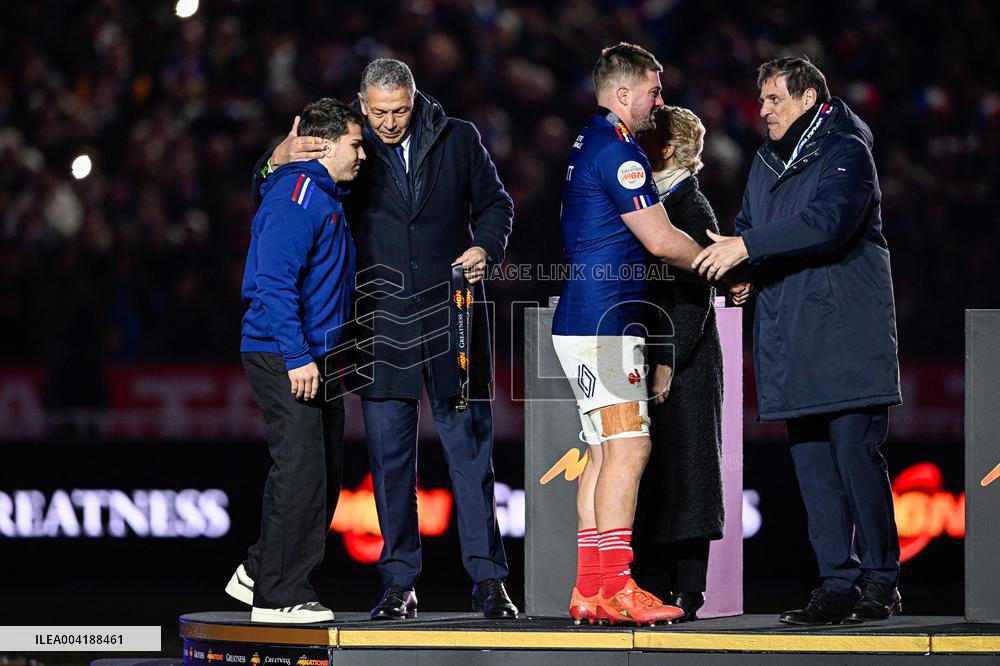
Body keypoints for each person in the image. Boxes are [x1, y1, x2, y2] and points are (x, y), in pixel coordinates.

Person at [251, 59, 517, 620]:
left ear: (415, 100)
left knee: (471, 455)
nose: (390, 123)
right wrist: (276, 155)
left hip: (454, 321)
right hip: (377, 327)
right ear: (361, 102)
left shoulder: (459, 138)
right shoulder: (344, 144)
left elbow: (497, 205)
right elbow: (272, 188)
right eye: (379, 113)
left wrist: (486, 247)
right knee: (389, 463)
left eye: (400, 111)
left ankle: (490, 581)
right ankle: (399, 584)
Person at [693, 56, 902, 625]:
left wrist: (747, 248)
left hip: (846, 335)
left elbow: (830, 222)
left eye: (775, 99)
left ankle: (881, 582)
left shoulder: (845, 151)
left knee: (855, 458)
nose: (763, 110)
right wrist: (744, 271)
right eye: (761, 100)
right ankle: (837, 583)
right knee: (812, 467)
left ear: (809, 99)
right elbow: (749, 226)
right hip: (790, 336)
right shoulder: (767, 159)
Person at [552, 43, 707, 626]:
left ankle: (591, 586)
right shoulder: (621, 153)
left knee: (601, 452)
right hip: (608, 327)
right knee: (630, 447)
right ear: (623, 93)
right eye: (653, 91)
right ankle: (618, 586)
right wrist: (721, 265)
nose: (659, 102)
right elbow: (662, 240)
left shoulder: (588, 140)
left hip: (581, 321)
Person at [228, 98, 365, 624]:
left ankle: (260, 570)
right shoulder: (297, 196)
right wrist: (297, 356)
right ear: (324, 146)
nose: (362, 155)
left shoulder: (317, 192)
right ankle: (279, 596)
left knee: (323, 473)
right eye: (355, 145)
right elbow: (273, 284)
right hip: (285, 352)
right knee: (302, 470)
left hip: (313, 356)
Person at [632, 106, 725, 622]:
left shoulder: (690, 205)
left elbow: (695, 293)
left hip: (685, 360)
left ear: (668, 150)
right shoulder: (653, 201)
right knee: (658, 471)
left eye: (651, 136)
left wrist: (667, 360)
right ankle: (655, 583)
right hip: (651, 351)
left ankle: (688, 588)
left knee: (688, 473)